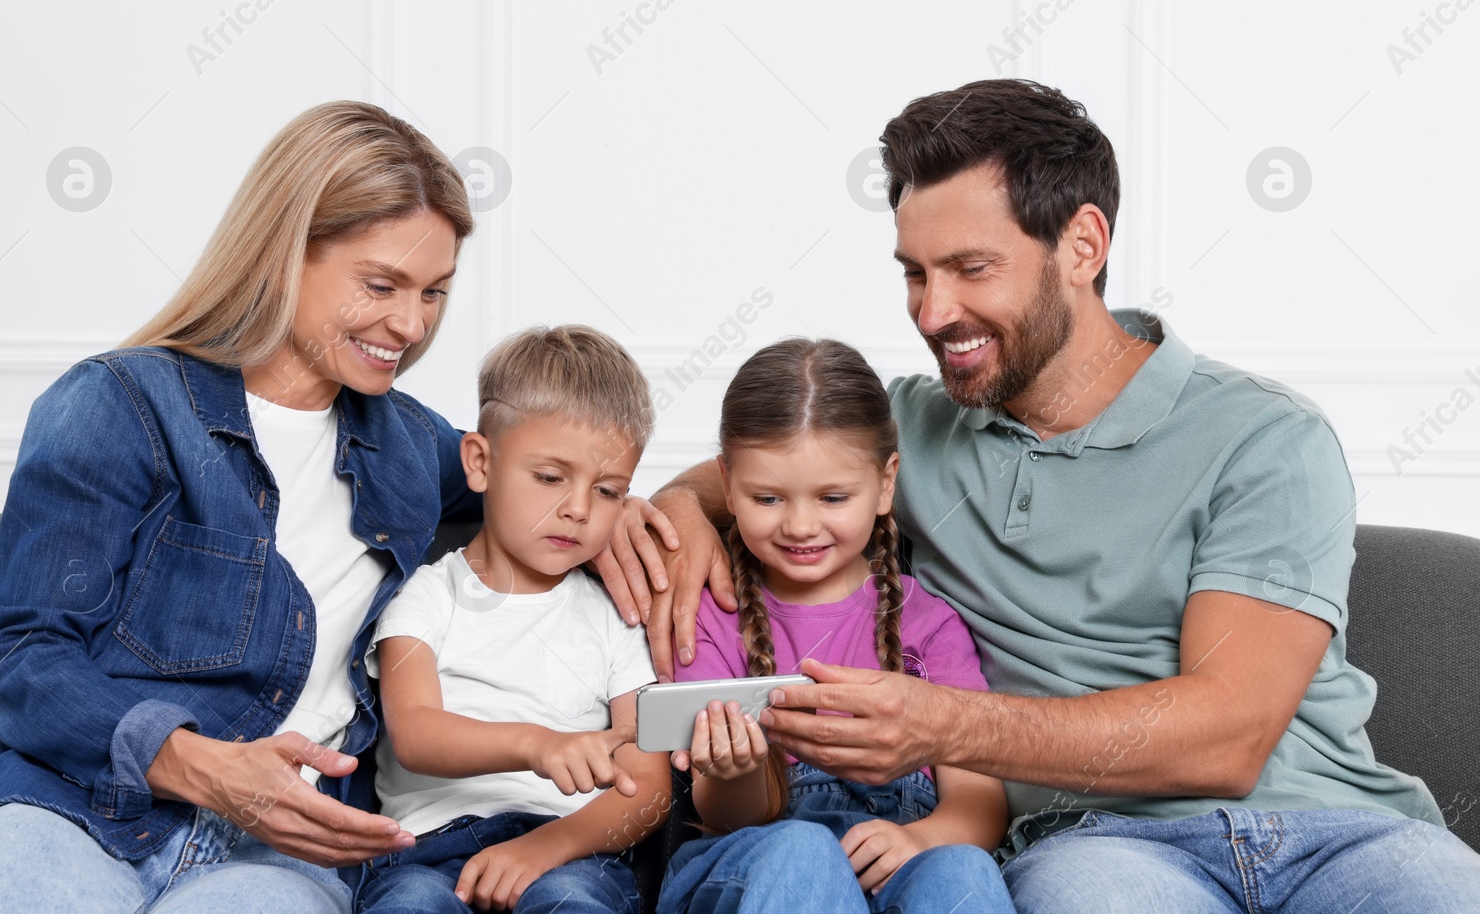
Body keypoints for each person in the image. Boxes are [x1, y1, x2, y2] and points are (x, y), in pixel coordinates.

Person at [634, 80, 1480, 912]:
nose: (933, 311)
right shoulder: (908, 432)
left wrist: (947, 724)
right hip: (1100, 846)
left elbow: (1229, 734)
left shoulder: (1266, 437)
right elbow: (756, 473)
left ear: (1083, 246)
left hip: (1341, 833)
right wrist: (679, 511)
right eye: (914, 274)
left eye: (971, 268)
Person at [0, 102, 674, 914]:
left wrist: (675, 503)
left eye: (434, 292)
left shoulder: (408, 447)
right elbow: (22, 661)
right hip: (70, 809)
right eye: (382, 283)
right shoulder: (119, 405)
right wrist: (201, 762)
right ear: (286, 254)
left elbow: (540, 468)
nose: (410, 324)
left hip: (279, 858)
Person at [655, 338, 1013, 914]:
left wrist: (922, 837)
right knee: (805, 851)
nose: (800, 525)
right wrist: (737, 770)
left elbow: (978, 801)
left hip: (896, 861)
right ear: (727, 485)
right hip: (754, 860)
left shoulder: (930, 623)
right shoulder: (709, 617)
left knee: (962, 868)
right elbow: (725, 815)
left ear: (885, 483)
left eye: (833, 497)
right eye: (768, 497)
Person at [356, 325, 670, 914]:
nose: (577, 508)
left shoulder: (617, 618)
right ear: (480, 462)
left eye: (607, 491)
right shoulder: (424, 596)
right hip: (428, 849)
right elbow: (417, 734)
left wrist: (544, 847)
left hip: (570, 851)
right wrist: (536, 745)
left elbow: (647, 788)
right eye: (550, 478)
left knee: (572, 904)